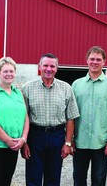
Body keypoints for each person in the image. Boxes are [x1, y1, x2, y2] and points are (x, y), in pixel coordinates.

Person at [21, 53, 80, 186]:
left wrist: (68, 143)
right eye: (46, 65)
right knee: (33, 178)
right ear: (39, 66)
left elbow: (71, 118)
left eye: (52, 66)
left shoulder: (66, 88)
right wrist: (24, 142)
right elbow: (23, 118)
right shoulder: (27, 88)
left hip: (57, 136)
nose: (49, 69)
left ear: (57, 68)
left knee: (53, 178)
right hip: (35, 136)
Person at [72, 46, 107, 186]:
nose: (95, 62)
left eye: (98, 59)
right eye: (92, 59)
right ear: (86, 61)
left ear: (104, 62)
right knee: (78, 180)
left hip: (101, 142)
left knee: (99, 180)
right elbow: (70, 115)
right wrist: (69, 139)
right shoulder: (76, 85)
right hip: (79, 142)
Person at [0, 57, 29, 186]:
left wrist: (23, 139)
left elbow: (26, 117)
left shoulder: (18, 93)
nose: (9, 74)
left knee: (6, 180)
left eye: (11, 71)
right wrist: (7, 140)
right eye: (5, 71)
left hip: (13, 146)